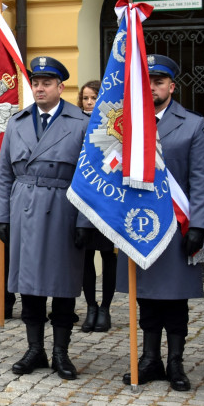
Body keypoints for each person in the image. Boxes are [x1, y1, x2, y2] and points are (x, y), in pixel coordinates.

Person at [115, 55, 204, 390]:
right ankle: (149, 358)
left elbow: (202, 178)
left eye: (159, 82)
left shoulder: (191, 123)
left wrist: (199, 225)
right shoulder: (124, 123)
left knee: (175, 297)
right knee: (145, 296)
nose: (153, 87)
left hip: (176, 226)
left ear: (172, 86)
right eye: (147, 81)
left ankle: (175, 362)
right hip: (138, 224)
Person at [0, 56, 89, 380]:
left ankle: (61, 353)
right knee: (29, 285)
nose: (39, 88)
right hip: (25, 210)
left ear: (60, 87)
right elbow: (4, 174)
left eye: (46, 83)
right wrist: (1, 216)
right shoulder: (17, 122)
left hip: (64, 208)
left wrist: (84, 222)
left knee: (62, 285)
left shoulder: (80, 122)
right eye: (35, 82)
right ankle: (35, 350)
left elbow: (89, 177)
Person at [76, 79, 115, 333]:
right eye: (86, 98)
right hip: (83, 200)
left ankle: (105, 309)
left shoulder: (112, 123)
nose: (89, 103)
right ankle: (90, 306)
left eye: (94, 98)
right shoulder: (74, 123)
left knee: (109, 258)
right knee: (85, 258)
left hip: (107, 201)